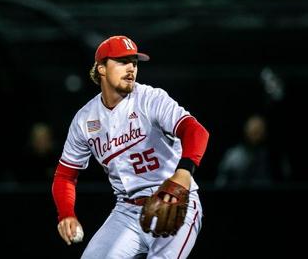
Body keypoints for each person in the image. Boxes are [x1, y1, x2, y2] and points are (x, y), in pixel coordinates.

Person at [51, 35, 209, 259]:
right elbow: (65, 175)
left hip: (173, 201)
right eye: (122, 61)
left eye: (134, 62)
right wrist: (66, 214)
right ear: (101, 68)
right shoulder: (85, 119)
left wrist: (184, 172)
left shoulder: (149, 98)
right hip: (126, 210)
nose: (131, 68)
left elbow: (195, 131)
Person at [215, 114, 290, 188]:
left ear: (265, 132)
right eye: (253, 131)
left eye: (258, 131)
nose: (255, 135)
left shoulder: (274, 157)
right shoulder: (233, 156)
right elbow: (221, 184)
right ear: (246, 130)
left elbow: (285, 182)